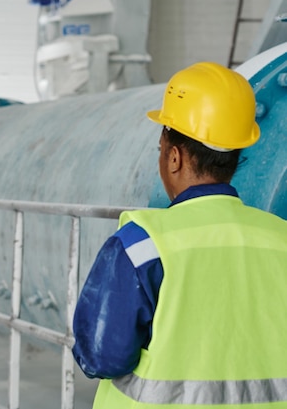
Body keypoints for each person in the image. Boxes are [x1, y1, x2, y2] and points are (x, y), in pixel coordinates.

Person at [72, 61, 287, 408]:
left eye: (161, 150)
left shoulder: (141, 245)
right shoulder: (282, 239)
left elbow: (101, 356)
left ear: (174, 157)